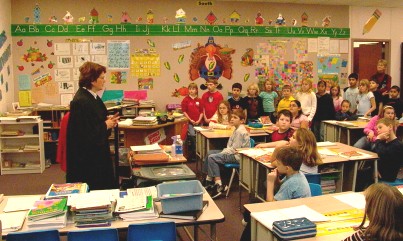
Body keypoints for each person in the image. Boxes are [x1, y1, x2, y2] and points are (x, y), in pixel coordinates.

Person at [66, 62, 119, 190]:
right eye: (101, 77)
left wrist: (107, 121)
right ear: (92, 80)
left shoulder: (92, 97)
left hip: (96, 154)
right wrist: (105, 125)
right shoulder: (81, 101)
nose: (104, 80)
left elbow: (94, 121)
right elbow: (83, 134)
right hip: (87, 160)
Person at [240, 146, 311, 241]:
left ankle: (248, 223)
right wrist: (277, 180)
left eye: (278, 164)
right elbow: (281, 188)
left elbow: (271, 206)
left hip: (292, 219)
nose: (276, 166)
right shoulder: (296, 174)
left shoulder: (292, 183)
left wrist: (270, 182)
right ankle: (248, 221)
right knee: (253, 202)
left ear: (286, 168)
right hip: (291, 210)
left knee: (253, 217)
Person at [203, 109, 250, 199]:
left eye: (235, 118)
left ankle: (219, 185)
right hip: (232, 152)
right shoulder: (236, 129)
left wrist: (221, 153)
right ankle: (208, 181)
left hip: (237, 157)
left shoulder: (240, 131)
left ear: (242, 121)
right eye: (231, 117)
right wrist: (223, 152)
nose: (232, 119)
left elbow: (234, 149)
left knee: (212, 157)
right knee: (209, 153)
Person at [374, 118, 403, 182]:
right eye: (377, 129)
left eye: (380, 127)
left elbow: (382, 153)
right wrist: (374, 169)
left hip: (388, 178)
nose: (378, 130)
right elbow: (374, 152)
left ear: (390, 127)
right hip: (378, 172)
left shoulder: (397, 145)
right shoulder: (383, 142)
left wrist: (378, 139)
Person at [181, 82, 203, 162]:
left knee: (199, 138)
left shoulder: (199, 100)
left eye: (193, 89)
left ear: (196, 90)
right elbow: (184, 111)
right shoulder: (186, 100)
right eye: (190, 89)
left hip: (199, 122)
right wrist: (191, 120)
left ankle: (199, 154)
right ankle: (192, 154)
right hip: (190, 122)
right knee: (192, 136)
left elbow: (201, 112)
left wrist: (199, 120)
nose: (191, 90)